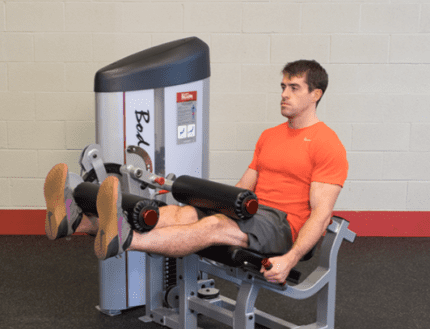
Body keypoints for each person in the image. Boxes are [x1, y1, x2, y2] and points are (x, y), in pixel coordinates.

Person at [44, 60, 348, 285]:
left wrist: (291, 257)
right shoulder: (270, 136)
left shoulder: (327, 144)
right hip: (254, 212)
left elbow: (320, 214)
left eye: (294, 88)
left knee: (214, 225)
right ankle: (76, 221)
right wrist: (215, 200)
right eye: (283, 86)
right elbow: (245, 186)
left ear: (316, 94)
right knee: (182, 214)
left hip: (282, 226)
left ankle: (125, 239)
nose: (285, 94)